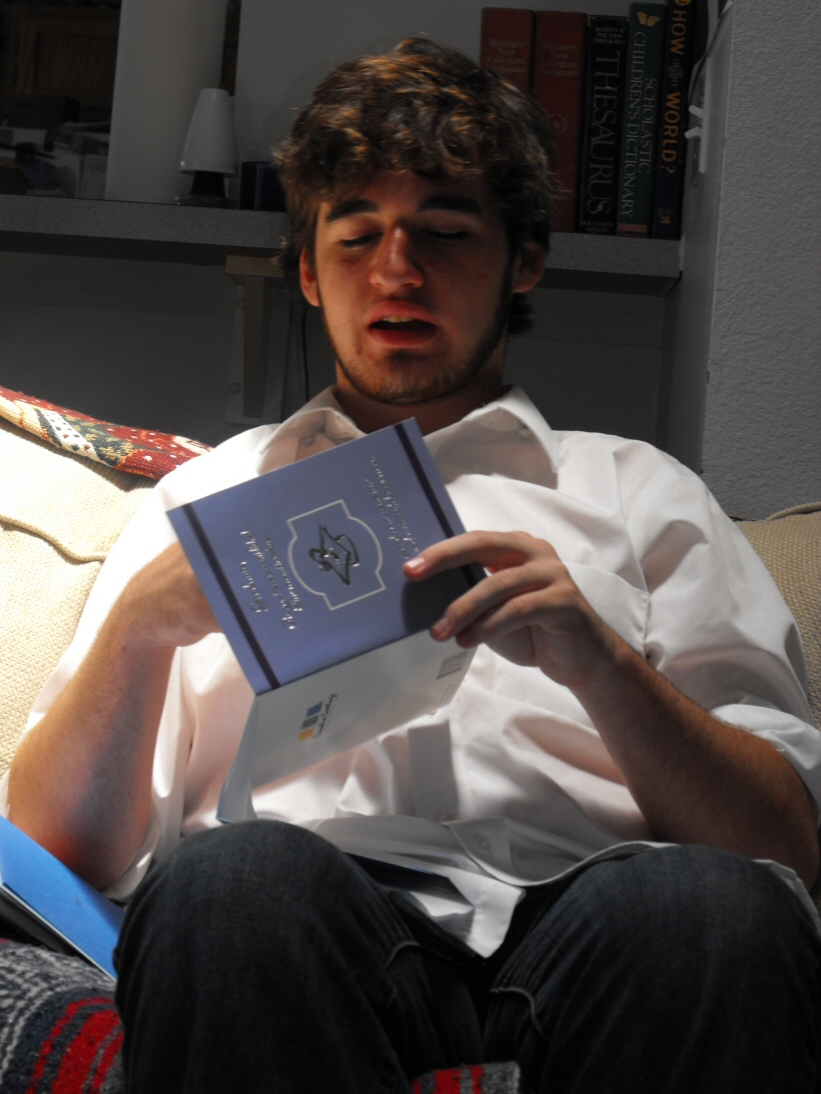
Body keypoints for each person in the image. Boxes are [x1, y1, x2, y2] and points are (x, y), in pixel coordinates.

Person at [4, 38, 821, 1094]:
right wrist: (139, 632)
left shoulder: (639, 491)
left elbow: (783, 845)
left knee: (711, 908)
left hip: (594, 916)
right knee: (233, 882)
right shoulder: (209, 499)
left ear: (523, 261)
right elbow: (51, 849)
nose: (396, 271)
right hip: (300, 914)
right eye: (356, 236)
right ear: (308, 272)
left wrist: (601, 662)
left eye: (443, 232)